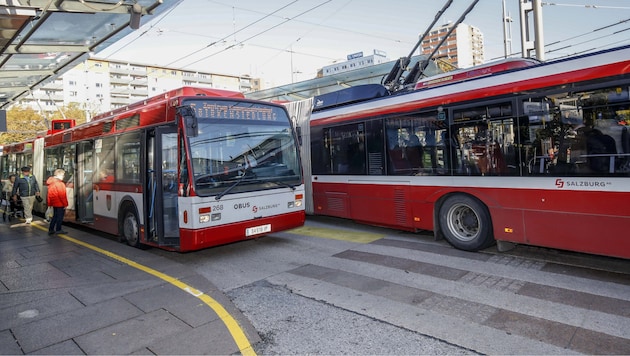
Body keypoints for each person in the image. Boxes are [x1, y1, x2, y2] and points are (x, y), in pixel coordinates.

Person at [46, 168, 68, 235]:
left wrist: (49, 204)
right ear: (59, 175)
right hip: (60, 203)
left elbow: (49, 195)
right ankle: (58, 229)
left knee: (55, 216)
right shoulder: (59, 184)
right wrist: (65, 204)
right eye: (63, 175)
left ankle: (51, 229)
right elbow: (62, 195)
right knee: (60, 217)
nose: (63, 176)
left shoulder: (51, 183)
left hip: (54, 203)